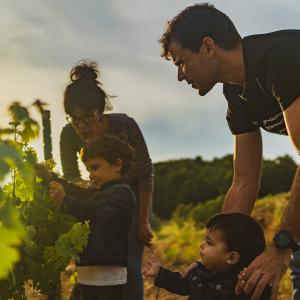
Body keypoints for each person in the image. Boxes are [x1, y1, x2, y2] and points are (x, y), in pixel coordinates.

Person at [159, 3, 300, 300]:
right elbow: (244, 182)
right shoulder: (236, 94)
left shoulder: (281, 57)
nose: (180, 76)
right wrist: (209, 260)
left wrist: (280, 248)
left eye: (181, 62)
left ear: (208, 46)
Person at [60, 60, 154, 299]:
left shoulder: (125, 125)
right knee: (92, 261)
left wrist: (142, 221)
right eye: (73, 118)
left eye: (87, 118)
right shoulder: (68, 135)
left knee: (130, 266)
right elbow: (71, 177)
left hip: (130, 198)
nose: (81, 126)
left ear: (100, 112)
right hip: (96, 196)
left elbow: (144, 173)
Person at [47, 134, 135, 300]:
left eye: (95, 168)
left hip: (108, 277)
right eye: (88, 170)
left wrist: (65, 201)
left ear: (117, 165)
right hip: (87, 272)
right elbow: (79, 192)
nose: (90, 175)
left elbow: (96, 210)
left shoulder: (122, 193)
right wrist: (51, 178)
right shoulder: (98, 192)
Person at [143, 213, 271, 300]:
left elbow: (263, 294)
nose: (202, 245)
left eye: (209, 242)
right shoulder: (199, 272)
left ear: (231, 258)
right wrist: (159, 272)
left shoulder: (241, 285)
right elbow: (183, 284)